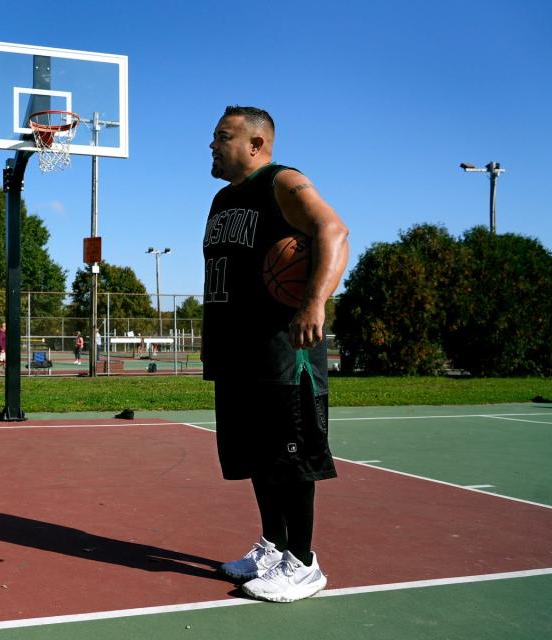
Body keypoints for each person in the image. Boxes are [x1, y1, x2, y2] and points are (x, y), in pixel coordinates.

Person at [202, 106, 348, 603]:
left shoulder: (283, 182)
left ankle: (304, 563)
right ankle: (274, 545)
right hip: (237, 350)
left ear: (256, 145)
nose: (212, 145)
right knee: (258, 460)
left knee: (290, 461)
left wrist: (314, 302)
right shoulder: (223, 199)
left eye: (223, 137)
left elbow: (334, 231)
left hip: (284, 351)